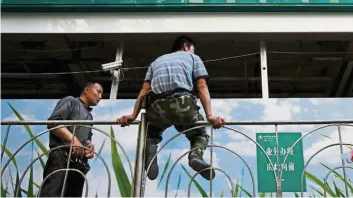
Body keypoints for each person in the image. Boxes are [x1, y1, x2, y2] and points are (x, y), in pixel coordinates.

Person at [117, 35, 225, 181]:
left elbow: (144, 91)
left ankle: (150, 147)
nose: (193, 52)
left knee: (151, 134)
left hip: (156, 106)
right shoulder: (193, 58)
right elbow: (202, 86)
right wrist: (210, 115)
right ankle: (195, 156)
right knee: (200, 134)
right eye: (192, 49)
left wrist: (133, 115)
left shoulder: (155, 62)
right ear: (186, 46)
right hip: (183, 104)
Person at [40, 82, 103, 197]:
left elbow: (87, 138)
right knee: (52, 194)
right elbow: (54, 122)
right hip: (61, 158)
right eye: (98, 92)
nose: (100, 97)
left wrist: (89, 145)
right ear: (87, 90)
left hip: (79, 163)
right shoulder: (71, 101)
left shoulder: (90, 116)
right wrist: (73, 140)